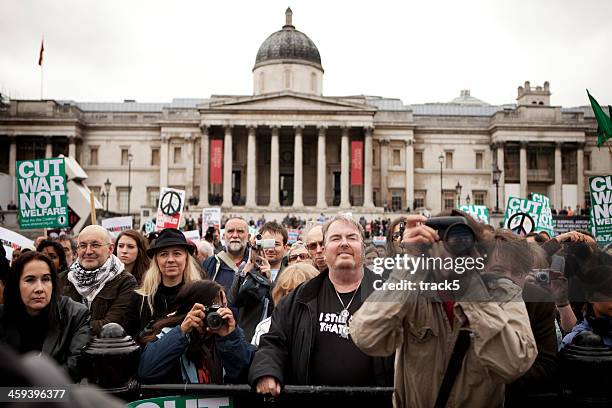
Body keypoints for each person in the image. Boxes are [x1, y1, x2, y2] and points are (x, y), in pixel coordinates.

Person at [350, 215, 537, 407]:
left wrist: (470, 286)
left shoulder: (503, 293)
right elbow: (366, 336)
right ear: (430, 248)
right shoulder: (413, 290)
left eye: (462, 242)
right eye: (444, 242)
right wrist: (411, 264)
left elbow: (515, 364)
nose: (453, 251)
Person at [249, 215, 394, 396]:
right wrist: (266, 371)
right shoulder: (299, 298)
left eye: (351, 237)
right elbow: (273, 343)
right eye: (335, 238)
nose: (344, 243)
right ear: (324, 251)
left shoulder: (389, 297)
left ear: (362, 248)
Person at [137, 280, 255, 384]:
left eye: (221, 307)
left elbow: (245, 375)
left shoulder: (231, 337)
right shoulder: (168, 335)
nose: (215, 315)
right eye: (210, 309)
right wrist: (181, 332)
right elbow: (146, 371)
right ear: (190, 309)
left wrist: (229, 339)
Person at [0, 251, 91, 382]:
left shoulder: (75, 314)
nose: (39, 288)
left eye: (46, 279)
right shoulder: (2, 316)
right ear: (16, 285)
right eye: (30, 280)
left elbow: (76, 366)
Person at [125, 228, 202, 338]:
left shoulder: (198, 296)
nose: (170, 259)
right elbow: (130, 339)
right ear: (156, 260)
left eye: (177, 253)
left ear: (186, 258)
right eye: (164, 254)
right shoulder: (140, 298)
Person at [61, 225, 136, 335]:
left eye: (95, 245)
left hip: (104, 349)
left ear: (110, 249)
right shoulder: (62, 279)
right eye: (82, 245)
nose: (88, 251)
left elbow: (111, 326)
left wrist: (69, 328)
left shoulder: (125, 282)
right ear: (77, 250)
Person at [251, 263, 319, 347]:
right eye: (291, 291)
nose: (296, 296)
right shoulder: (266, 327)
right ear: (282, 294)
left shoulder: (327, 326)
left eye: (302, 291)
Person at [202, 217, 250, 297]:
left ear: (248, 237)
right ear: (224, 236)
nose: (235, 235)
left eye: (240, 231)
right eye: (230, 231)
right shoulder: (209, 264)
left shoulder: (257, 264)